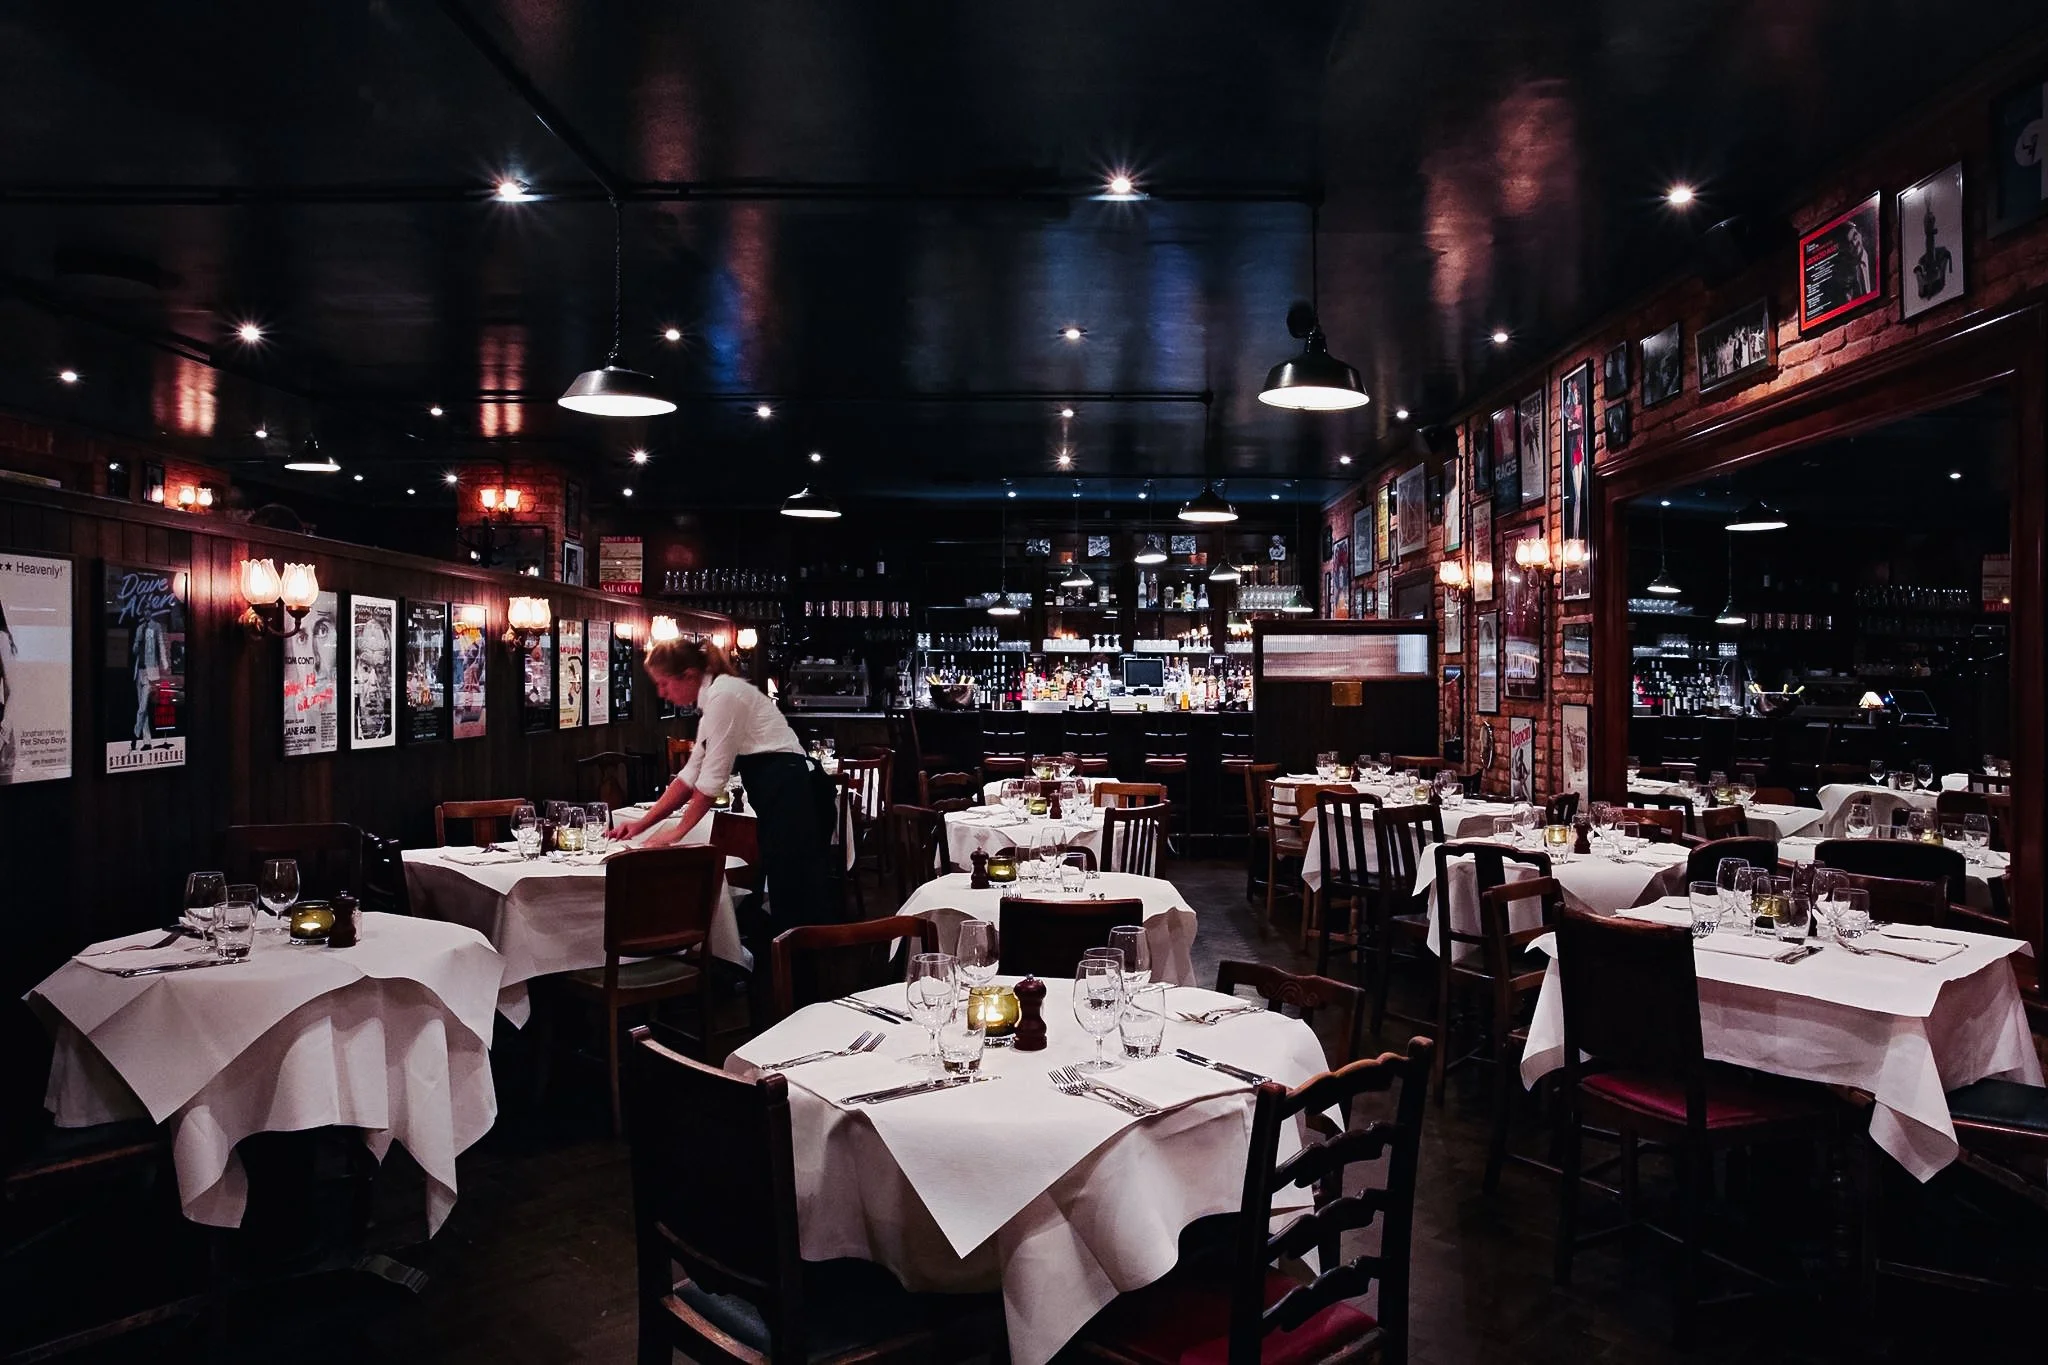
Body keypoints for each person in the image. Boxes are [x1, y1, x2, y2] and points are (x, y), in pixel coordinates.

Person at [615, 637, 838, 931]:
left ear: (689, 676)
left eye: (664, 684)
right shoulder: (717, 698)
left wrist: (677, 832)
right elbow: (689, 775)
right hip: (783, 791)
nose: (662, 693)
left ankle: (799, 971)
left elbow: (711, 782)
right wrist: (642, 824)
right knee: (784, 891)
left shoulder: (724, 697)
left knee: (796, 895)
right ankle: (782, 969)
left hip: (795, 791)